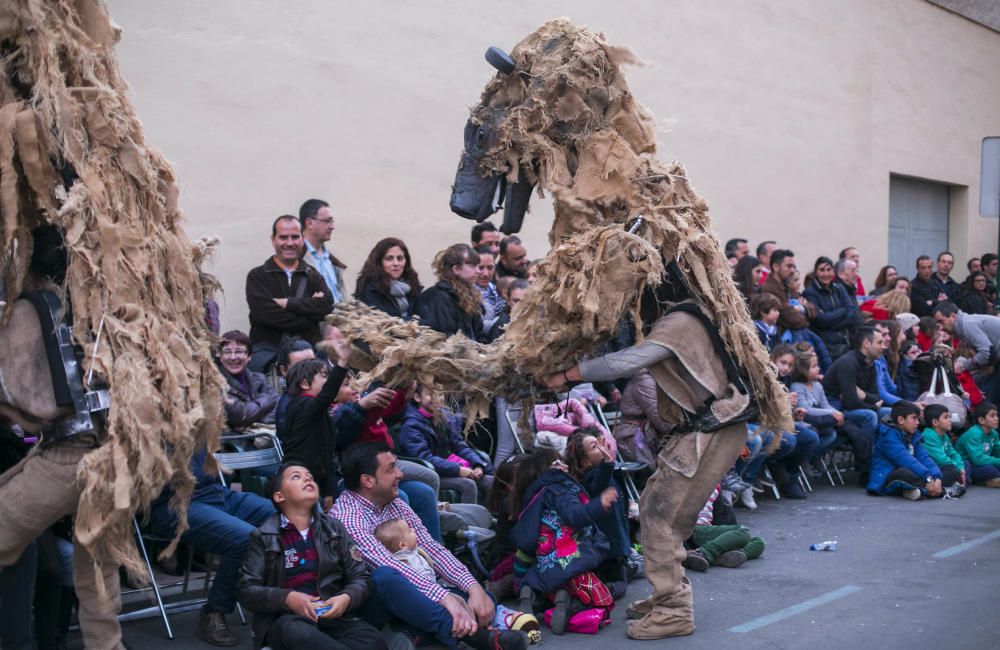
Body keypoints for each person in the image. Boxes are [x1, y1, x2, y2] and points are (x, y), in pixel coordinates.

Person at [330, 442, 528, 650]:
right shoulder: (348, 517)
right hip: (372, 604)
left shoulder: (394, 503)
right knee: (385, 576)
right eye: (391, 469)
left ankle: (415, 634)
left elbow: (431, 547)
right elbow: (390, 565)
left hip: (418, 596)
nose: (399, 474)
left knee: (475, 598)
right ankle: (481, 639)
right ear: (368, 480)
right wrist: (444, 597)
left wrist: (473, 586)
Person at [236, 463, 385, 650]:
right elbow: (246, 590)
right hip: (287, 618)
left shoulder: (334, 529)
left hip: (332, 617)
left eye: (309, 476)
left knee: (372, 639)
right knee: (298, 633)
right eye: (296, 477)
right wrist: (287, 598)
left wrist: (346, 597)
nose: (308, 478)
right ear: (279, 496)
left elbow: (360, 576)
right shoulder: (264, 536)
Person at [148, 447, 276, 646]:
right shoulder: (138, 421)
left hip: (216, 493)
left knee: (289, 515)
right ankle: (213, 611)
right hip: (172, 504)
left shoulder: (196, 418)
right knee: (246, 538)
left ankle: (285, 599)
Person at [509, 448, 617, 635]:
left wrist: (606, 467)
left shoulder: (536, 493)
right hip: (570, 557)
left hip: (543, 564)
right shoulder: (561, 489)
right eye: (559, 462)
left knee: (549, 583)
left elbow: (525, 544)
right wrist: (600, 504)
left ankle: (529, 595)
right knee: (602, 598)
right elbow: (575, 515)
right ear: (550, 468)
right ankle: (570, 605)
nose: (565, 465)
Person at [245, 215, 334, 371]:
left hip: (309, 359)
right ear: (273, 239)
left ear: (302, 238)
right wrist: (310, 317)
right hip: (269, 360)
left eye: (295, 237)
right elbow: (264, 314)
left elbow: (327, 306)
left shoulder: (312, 275)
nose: (290, 243)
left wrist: (287, 303)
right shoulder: (258, 276)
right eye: (283, 237)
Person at [398, 385, 495, 504]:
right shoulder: (412, 425)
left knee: (492, 482)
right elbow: (424, 458)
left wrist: (477, 464)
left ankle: (490, 519)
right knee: (468, 485)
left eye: (440, 394)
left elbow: (460, 446)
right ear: (417, 397)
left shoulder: (445, 417)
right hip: (435, 473)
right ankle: (469, 520)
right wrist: (457, 469)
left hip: (454, 467)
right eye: (430, 394)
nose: (437, 398)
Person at [564, 429, 634, 588]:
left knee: (619, 575)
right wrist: (607, 463)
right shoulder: (593, 476)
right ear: (585, 462)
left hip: (614, 545)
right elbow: (599, 485)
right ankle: (603, 594)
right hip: (608, 548)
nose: (602, 448)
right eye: (595, 447)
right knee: (619, 584)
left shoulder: (603, 471)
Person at [281, 348, 351, 500]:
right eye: (325, 376)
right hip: (297, 478)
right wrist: (342, 363)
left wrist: (328, 492)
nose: (329, 381)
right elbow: (327, 395)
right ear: (305, 384)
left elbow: (326, 455)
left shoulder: (320, 411)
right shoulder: (301, 405)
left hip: (317, 478)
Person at [822, 326, 884, 477]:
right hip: (834, 409)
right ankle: (865, 468)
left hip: (854, 406)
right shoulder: (848, 363)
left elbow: (877, 396)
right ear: (866, 344)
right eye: (880, 342)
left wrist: (865, 396)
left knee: (889, 412)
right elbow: (851, 402)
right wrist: (872, 405)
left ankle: (883, 463)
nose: (884, 346)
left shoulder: (871, 364)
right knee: (870, 416)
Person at [866, 401, 959, 499]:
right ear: (901, 419)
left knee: (950, 469)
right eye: (914, 418)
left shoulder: (914, 434)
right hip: (888, 477)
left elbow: (924, 457)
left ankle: (921, 491)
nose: (918, 422)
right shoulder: (887, 436)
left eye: (918, 419)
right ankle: (940, 491)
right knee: (904, 472)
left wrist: (937, 478)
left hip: (915, 472)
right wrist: (928, 478)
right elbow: (905, 460)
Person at [681, 485, 765, 571]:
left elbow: (727, 523)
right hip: (693, 531)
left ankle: (720, 556)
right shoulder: (684, 485)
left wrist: (730, 541)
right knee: (743, 532)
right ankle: (703, 553)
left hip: (709, 533)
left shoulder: (714, 489)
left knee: (758, 542)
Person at [933, 301, 1000, 404]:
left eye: (942, 321)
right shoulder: (968, 322)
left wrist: (963, 365)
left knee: (990, 400)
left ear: (953, 316)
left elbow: (987, 354)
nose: (941, 327)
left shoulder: (968, 325)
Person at [418, 244, 486, 341]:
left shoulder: (471, 295)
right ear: (456, 269)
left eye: (478, 266)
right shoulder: (442, 297)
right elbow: (447, 336)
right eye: (472, 266)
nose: (479, 271)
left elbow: (479, 333)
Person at [217, 330, 278, 432]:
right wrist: (267, 400)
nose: (233, 357)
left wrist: (250, 423)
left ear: (249, 356)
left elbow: (281, 410)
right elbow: (240, 415)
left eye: (239, 351)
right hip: (231, 444)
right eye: (227, 352)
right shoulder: (215, 383)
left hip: (262, 442)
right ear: (220, 356)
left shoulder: (260, 378)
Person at [804, 256, 862, 360]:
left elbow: (852, 314)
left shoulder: (839, 288)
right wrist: (843, 310)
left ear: (833, 272)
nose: (825, 274)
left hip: (845, 345)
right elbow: (820, 321)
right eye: (822, 270)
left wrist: (829, 324)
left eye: (828, 270)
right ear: (816, 272)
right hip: (826, 348)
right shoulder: (810, 293)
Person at [355, 237, 422, 320]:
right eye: (389, 259)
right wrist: (413, 320)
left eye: (400, 258)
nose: (396, 263)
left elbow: (425, 316)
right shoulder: (369, 287)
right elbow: (382, 321)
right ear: (379, 262)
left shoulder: (411, 284)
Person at [300, 199, 347, 305]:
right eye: (327, 221)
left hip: (338, 320)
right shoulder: (297, 260)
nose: (332, 226)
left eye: (332, 221)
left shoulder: (332, 260)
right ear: (310, 223)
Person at [761, 249, 814, 332]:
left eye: (794, 267)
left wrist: (801, 308)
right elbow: (791, 320)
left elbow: (814, 309)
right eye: (789, 266)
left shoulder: (787, 286)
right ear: (776, 267)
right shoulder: (769, 289)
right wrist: (806, 314)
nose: (792, 270)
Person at [920, 404, 969, 487]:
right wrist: (958, 468)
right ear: (935, 422)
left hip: (946, 465)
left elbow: (953, 453)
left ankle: (959, 481)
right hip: (935, 468)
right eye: (946, 417)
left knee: (965, 463)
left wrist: (960, 467)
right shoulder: (928, 436)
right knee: (952, 469)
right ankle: (956, 482)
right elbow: (940, 459)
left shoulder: (944, 435)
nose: (950, 420)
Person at [954, 401, 1000, 487]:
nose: (997, 418)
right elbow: (978, 459)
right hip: (969, 466)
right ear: (981, 420)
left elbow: (998, 450)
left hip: (983, 463)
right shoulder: (974, 434)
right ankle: (987, 481)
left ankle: (992, 480)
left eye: (996, 415)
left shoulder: (994, 433)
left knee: (992, 467)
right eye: (992, 415)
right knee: (990, 470)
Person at [474, 245, 505, 332]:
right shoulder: (465, 293)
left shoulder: (497, 290)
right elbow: (478, 326)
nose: (485, 274)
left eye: (490, 268)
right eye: (480, 267)